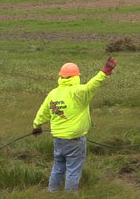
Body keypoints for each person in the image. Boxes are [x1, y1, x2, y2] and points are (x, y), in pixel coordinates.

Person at [31, 57, 117, 193]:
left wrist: (37, 126)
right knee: (73, 170)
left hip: (58, 139)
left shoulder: (53, 93)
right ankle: (70, 195)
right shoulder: (78, 92)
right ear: (76, 76)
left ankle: (52, 192)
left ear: (61, 76)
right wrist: (105, 71)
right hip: (74, 140)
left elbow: (43, 112)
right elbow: (92, 85)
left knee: (58, 167)